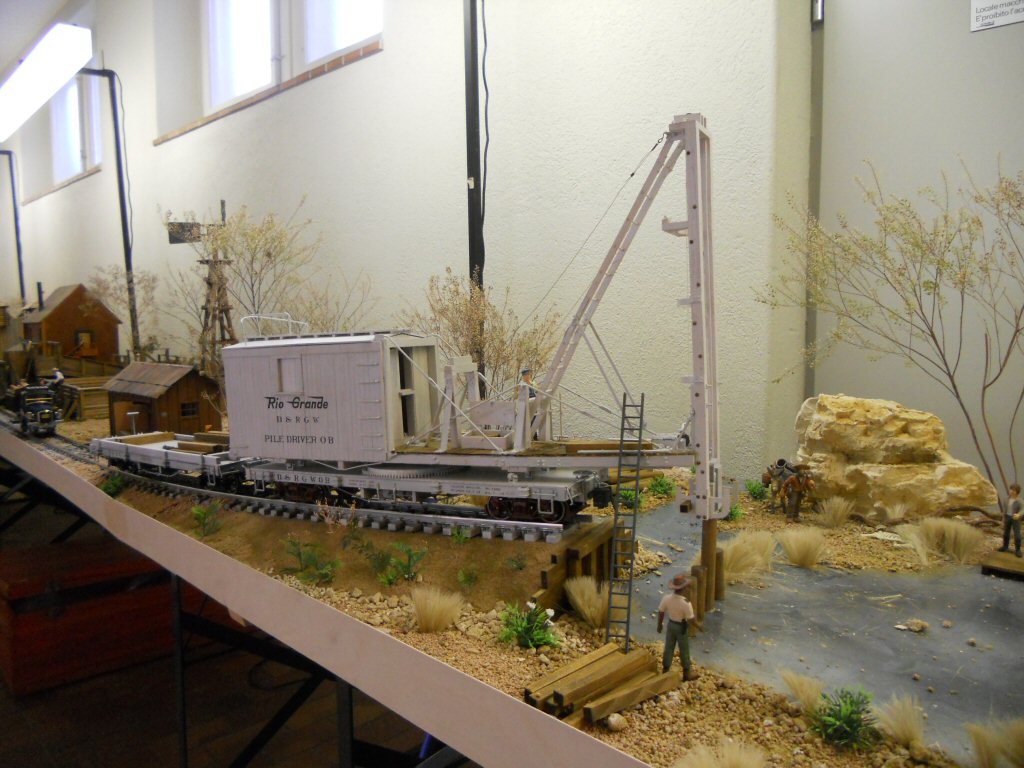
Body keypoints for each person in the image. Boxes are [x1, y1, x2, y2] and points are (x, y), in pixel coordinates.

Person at [657, 573, 698, 680]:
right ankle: (686, 673)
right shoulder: (686, 603)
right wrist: (699, 626)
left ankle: (665, 669)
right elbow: (691, 619)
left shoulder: (667, 598)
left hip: (671, 625)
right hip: (681, 627)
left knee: (669, 647)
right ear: (684, 588)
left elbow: (661, 612)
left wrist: (659, 625)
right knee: (684, 649)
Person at [998, 483, 1022, 558]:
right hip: (1007, 517)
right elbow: (1004, 511)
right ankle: (1005, 546)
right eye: (1011, 489)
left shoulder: (1020, 501)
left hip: (1015, 519)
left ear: (1017, 492)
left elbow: (1023, 509)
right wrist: (1003, 519)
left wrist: (1019, 514)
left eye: (1014, 490)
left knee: (1017, 535)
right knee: (1006, 533)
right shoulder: (1006, 499)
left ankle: (1018, 550)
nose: (1011, 491)